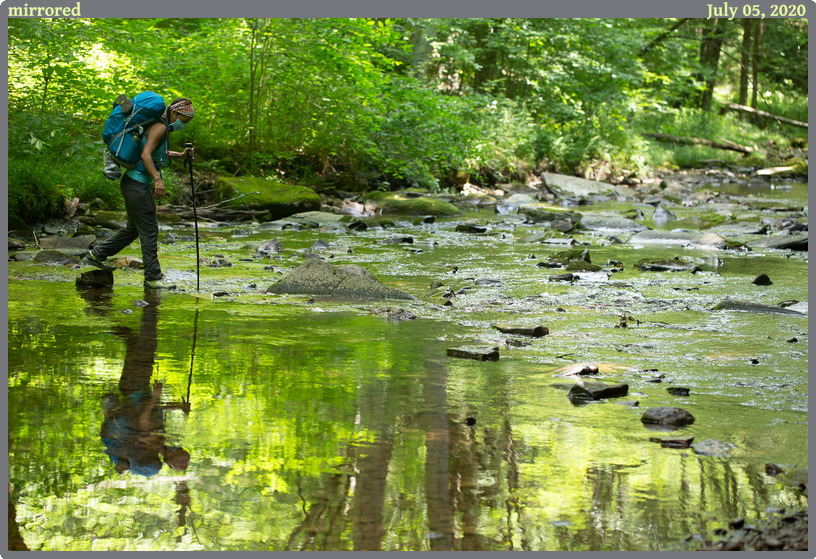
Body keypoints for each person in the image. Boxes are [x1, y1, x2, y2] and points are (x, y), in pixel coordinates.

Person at [83, 97, 196, 290]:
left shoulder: (160, 127)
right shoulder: (160, 127)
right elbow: (145, 155)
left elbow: (154, 152)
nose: (182, 125)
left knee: (133, 229)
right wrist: (157, 179)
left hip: (132, 184)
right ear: (175, 113)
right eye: (183, 121)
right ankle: (152, 278)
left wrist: (181, 155)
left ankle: (96, 255)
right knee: (150, 230)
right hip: (137, 185)